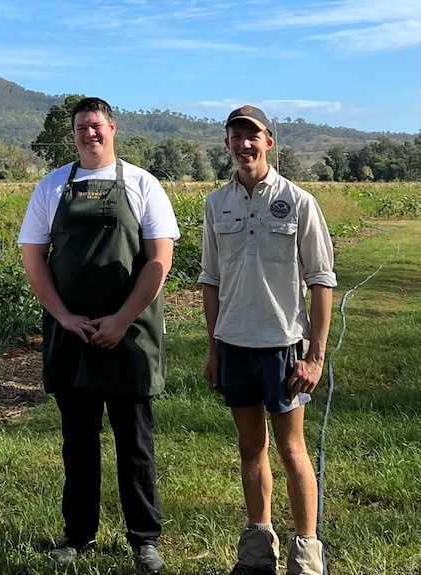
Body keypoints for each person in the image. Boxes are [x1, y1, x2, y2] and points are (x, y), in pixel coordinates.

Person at [19, 97, 179, 574]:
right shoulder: (51, 187)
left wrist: (122, 319)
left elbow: (158, 261)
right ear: (73, 135)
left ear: (112, 129)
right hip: (73, 334)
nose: (89, 134)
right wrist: (65, 318)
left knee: (135, 443)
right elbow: (33, 260)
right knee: (78, 442)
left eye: (96, 126)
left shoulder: (142, 184)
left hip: (130, 333)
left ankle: (145, 539)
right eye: (81, 128)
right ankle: (78, 534)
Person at [199, 105, 337, 575]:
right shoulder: (216, 203)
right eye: (236, 137)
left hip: (284, 346)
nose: (244, 145)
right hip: (235, 345)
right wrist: (214, 349)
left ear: (268, 142)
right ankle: (257, 553)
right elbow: (210, 280)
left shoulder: (299, 201)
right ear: (227, 145)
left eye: (252, 136)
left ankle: (307, 554)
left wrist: (314, 357)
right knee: (249, 447)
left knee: (292, 449)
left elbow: (321, 280)